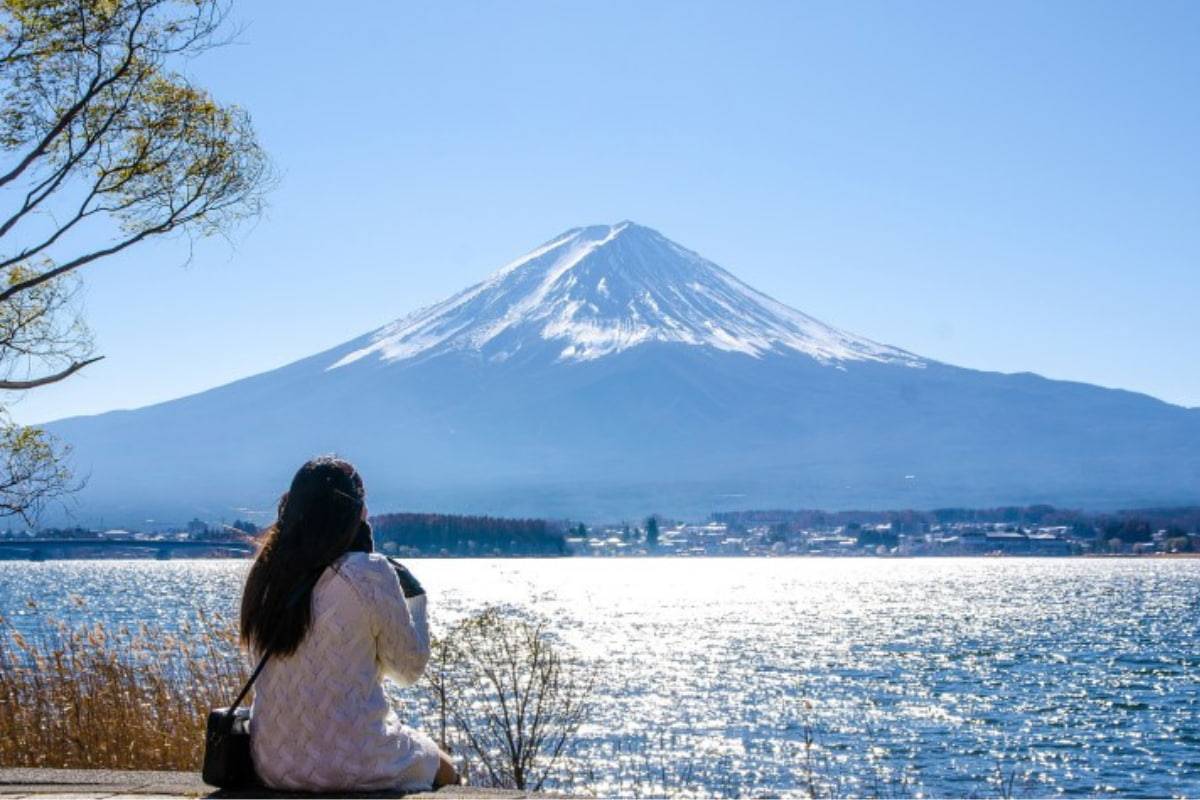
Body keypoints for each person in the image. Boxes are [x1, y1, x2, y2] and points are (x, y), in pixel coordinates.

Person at [239, 455, 459, 792]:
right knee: (447, 770)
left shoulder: (266, 576)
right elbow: (408, 669)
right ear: (356, 513)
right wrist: (414, 596)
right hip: (357, 761)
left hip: (273, 763)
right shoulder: (368, 572)